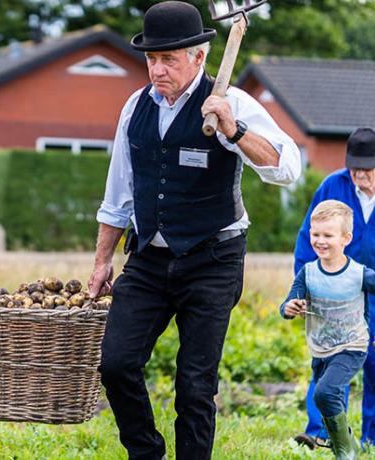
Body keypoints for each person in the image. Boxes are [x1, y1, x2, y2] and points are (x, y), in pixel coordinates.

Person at [86, 2, 301, 458]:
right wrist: (103, 260)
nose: (157, 70)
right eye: (151, 59)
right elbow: (118, 192)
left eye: (169, 59)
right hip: (148, 257)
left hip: (213, 259)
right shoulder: (134, 107)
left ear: (199, 57)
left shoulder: (231, 102)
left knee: (195, 384)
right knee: (115, 363)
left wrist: (234, 129)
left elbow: (287, 169)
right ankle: (146, 452)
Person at [292, 127, 375, 451]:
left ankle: (371, 436)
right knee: (327, 360)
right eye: (354, 168)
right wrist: (305, 286)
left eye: (366, 170)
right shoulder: (333, 186)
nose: (358, 176)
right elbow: (306, 239)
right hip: (335, 291)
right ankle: (320, 432)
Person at [281, 199, 375, 460]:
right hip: (321, 347)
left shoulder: (359, 274)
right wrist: (290, 307)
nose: (320, 241)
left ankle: (345, 451)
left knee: (324, 392)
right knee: (323, 396)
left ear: (346, 238)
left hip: (352, 345)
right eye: (315, 234)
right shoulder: (308, 273)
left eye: (327, 235)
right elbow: (289, 301)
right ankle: (346, 440)